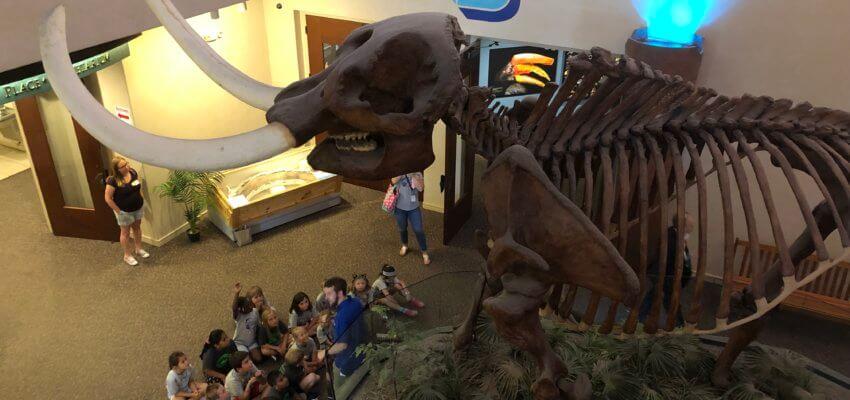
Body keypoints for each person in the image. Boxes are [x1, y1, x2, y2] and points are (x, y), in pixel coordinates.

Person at [638, 212, 695, 327]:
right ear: (682, 225)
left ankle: (640, 315)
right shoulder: (671, 238)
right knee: (671, 300)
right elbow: (670, 260)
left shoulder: (678, 236)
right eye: (690, 225)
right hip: (666, 276)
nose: (692, 227)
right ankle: (679, 325)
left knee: (655, 294)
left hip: (668, 276)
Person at [104, 156, 149, 266]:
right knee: (125, 233)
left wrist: (141, 200)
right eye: (123, 166)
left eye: (126, 164)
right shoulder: (112, 180)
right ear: (117, 169)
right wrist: (119, 212)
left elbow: (137, 187)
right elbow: (108, 199)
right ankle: (127, 255)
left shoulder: (133, 172)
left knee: (137, 228)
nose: (127, 167)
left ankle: (138, 249)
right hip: (124, 212)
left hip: (138, 207)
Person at [324, 276, 368, 378]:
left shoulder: (341, 317)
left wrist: (325, 353)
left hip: (349, 361)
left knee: (330, 379)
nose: (326, 297)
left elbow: (342, 345)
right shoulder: (355, 301)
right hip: (362, 348)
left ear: (339, 293)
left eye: (329, 294)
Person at [391, 172, 430, 265]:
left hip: (414, 209)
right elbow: (393, 181)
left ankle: (424, 252)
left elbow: (421, 188)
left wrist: (413, 176)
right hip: (400, 208)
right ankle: (405, 245)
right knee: (402, 228)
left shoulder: (418, 174)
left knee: (418, 230)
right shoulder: (398, 171)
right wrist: (401, 174)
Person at [232, 283, 263, 363]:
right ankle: (240, 353)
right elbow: (234, 308)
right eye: (248, 306)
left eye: (250, 304)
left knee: (258, 359)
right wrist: (236, 293)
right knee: (246, 361)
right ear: (241, 309)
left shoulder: (254, 311)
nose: (251, 307)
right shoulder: (238, 316)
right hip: (240, 342)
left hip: (251, 341)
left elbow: (258, 323)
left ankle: (248, 353)